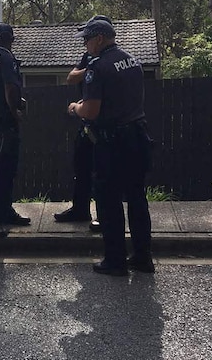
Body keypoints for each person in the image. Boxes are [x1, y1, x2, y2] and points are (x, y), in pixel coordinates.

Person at [67, 19, 154, 276]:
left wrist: (75, 108)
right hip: (138, 136)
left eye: (87, 39)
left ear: (100, 38)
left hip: (112, 141)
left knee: (109, 200)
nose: (85, 44)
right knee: (137, 198)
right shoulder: (133, 61)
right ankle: (142, 257)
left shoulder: (98, 67)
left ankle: (115, 260)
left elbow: (91, 111)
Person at [54, 16, 112, 231]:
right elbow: (71, 77)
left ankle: (104, 216)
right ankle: (80, 209)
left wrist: (97, 69)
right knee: (81, 167)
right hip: (86, 122)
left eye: (87, 36)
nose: (84, 41)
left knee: (103, 174)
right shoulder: (90, 58)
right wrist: (91, 70)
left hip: (104, 125)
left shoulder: (110, 59)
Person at [0, 23, 31, 236]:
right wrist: (15, 111)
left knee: (0, 169)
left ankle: (6, 211)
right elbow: (9, 88)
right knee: (4, 170)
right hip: (5, 120)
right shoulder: (7, 58)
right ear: (11, 39)